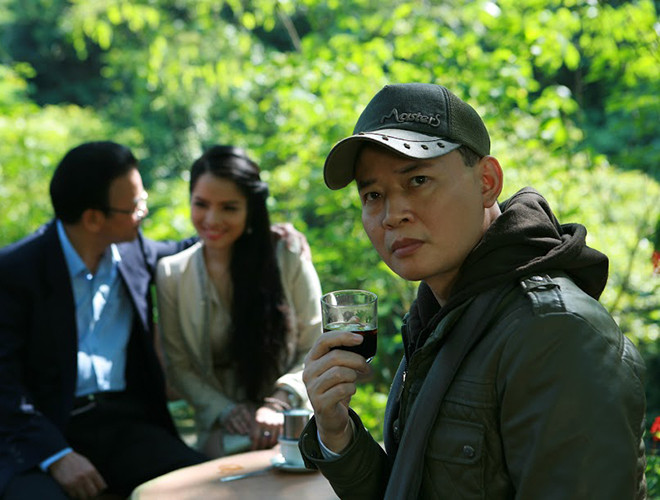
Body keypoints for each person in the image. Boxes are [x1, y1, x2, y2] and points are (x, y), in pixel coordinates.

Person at [299, 83, 647, 499]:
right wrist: (336, 432)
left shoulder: (555, 332)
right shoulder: (439, 316)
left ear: (486, 182)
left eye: (418, 180)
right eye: (373, 195)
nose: (393, 215)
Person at [0, 141, 211, 499]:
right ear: (93, 219)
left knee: (204, 488)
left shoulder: (133, 251)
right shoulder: (16, 271)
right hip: (43, 431)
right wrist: (55, 454)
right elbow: (3, 383)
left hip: (124, 425)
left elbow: (190, 248)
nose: (144, 212)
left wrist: (264, 232)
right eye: (135, 206)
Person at [156, 145, 322, 458]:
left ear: (251, 209)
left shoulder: (287, 255)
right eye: (201, 204)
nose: (212, 219)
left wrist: (280, 401)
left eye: (229, 208)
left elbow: (315, 343)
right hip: (222, 422)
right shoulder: (171, 274)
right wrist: (227, 410)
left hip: (293, 412)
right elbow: (179, 366)